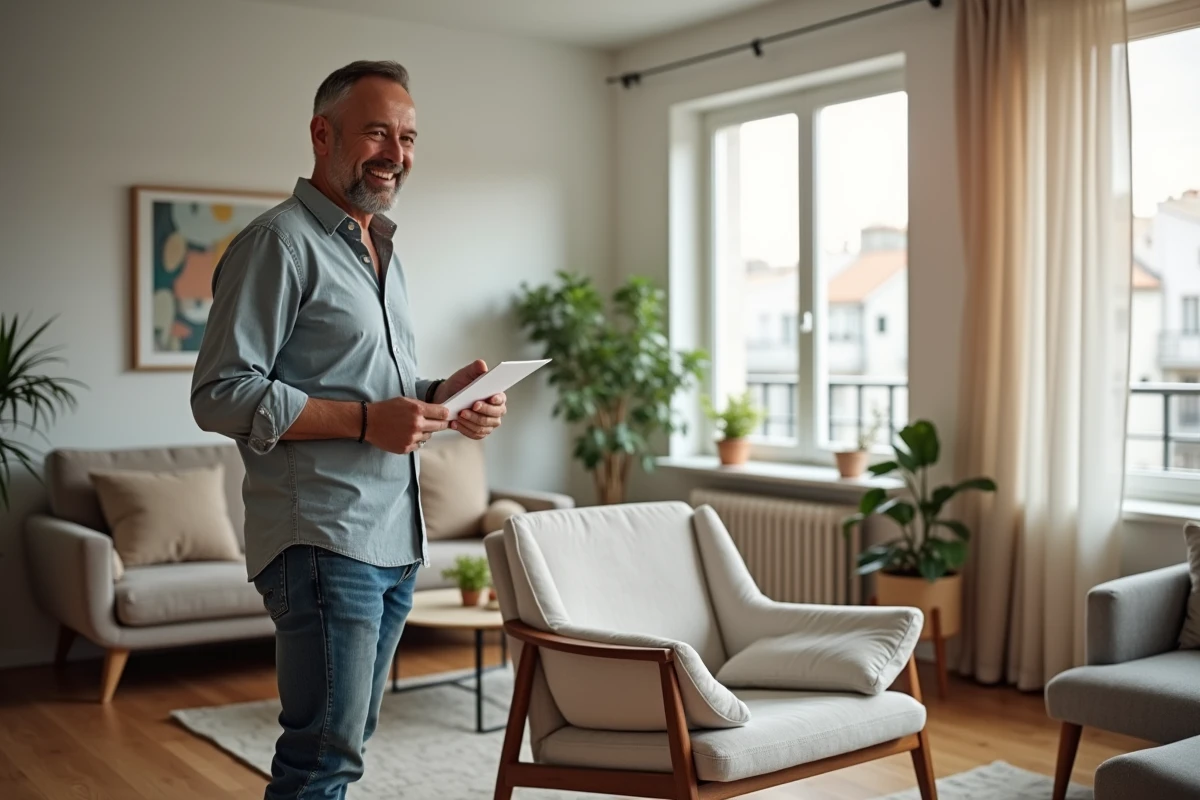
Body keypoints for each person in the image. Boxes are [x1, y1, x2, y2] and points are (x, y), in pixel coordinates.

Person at [190, 60, 506, 798]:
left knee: (347, 743)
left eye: (409, 136)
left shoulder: (378, 248)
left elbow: (375, 390)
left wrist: (443, 397)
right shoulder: (278, 244)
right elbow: (220, 394)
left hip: (393, 539)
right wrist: (370, 421)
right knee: (322, 758)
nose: (396, 153)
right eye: (376, 132)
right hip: (325, 540)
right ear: (321, 134)